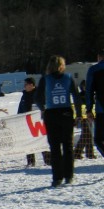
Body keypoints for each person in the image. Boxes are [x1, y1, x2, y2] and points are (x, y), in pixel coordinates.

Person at [36, 55, 82, 187]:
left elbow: (38, 98)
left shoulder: (45, 79)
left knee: (54, 147)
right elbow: (76, 97)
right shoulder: (68, 78)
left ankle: (57, 178)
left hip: (51, 114)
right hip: (66, 112)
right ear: (62, 65)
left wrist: (43, 109)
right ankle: (69, 176)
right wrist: (78, 113)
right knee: (67, 145)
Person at [17, 77, 51, 166]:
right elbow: (20, 109)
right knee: (29, 142)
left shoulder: (38, 94)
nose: (24, 86)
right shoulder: (24, 96)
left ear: (32, 85)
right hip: (27, 123)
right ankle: (31, 161)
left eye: (26, 84)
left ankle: (48, 160)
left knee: (42, 141)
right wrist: (18, 118)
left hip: (39, 123)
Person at [86, 48, 104, 158]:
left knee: (98, 140)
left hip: (101, 110)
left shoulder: (94, 70)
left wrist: (89, 109)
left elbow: (89, 91)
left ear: (99, 57)